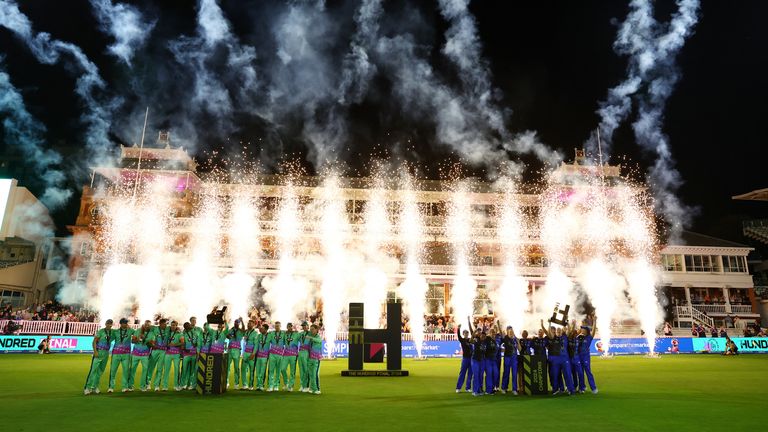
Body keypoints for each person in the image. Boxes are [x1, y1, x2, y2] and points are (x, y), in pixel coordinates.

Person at [84, 319, 113, 395]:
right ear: (105, 324)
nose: (109, 325)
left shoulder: (112, 332)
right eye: (108, 323)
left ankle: (95, 387)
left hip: (106, 353)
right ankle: (87, 388)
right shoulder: (101, 331)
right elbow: (94, 341)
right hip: (99, 352)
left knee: (100, 371)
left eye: (110, 324)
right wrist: (95, 351)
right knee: (93, 370)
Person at [107, 318, 134, 393]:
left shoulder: (130, 331)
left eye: (126, 323)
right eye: (124, 323)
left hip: (126, 354)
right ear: (120, 324)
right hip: (116, 354)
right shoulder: (116, 332)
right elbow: (109, 340)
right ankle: (111, 387)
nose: (125, 324)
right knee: (113, 370)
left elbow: (137, 334)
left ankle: (125, 387)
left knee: (126, 371)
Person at [127, 320, 152, 392]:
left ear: (150, 326)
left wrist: (145, 339)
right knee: (132, 370)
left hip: (145, 355)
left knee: (145, 371)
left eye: (148, 325)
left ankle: (142, 386)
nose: (147, 326)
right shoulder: (137, 331)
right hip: (135, 354)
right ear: (143, 325)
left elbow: (152, 344)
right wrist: (138, 339)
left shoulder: (151, 333)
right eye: (145, 324)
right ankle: (130, 386)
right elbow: (133, 341)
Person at [146, 318, 169, 391]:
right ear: (160, 324)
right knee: (150, 368)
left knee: (160, 368)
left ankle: (157, 385)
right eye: (164, 324)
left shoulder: (168, 329)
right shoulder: (154, 328)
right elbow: (147, 327)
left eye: (166, 324)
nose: (165, 325)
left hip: (163, 351)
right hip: (155, 350)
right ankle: (148, 384)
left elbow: (175, 328)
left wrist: (177, 328)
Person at [577, 317, 598, 394]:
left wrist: (595, 321)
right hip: (578, 357)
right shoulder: (578, 337)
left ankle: (593, 388)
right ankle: (582, 387)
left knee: (588, 372)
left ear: (586, 330)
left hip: (585, 357)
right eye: (581, 328)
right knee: (580, 372)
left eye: (583, 329)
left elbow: (594, 331)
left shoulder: (589, 337)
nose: (582, 330)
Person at [162, 320, 184, 391]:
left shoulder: (180, 334)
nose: (172, 326)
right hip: (168, 354)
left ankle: (176, 385)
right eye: (172, 325)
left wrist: (174, 345)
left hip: (176, 354)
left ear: (176, 326)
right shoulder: (168, 333)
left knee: (177, 370)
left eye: (174, 325)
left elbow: (182, 343)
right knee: (166, 370)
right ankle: (165, 386)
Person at [467, 317, 487, 396]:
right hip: (475, 359)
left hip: (482, 360)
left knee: (480, 375)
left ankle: (479, 390)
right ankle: (474, 391)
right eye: (480, 334)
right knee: (476, 375)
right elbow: (470, 340)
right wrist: (469, 322)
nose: (482, 336)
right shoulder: (476, 339)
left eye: (483, 336)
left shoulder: (485, 341)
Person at [280, 322, 300, 391]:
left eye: (290, 326)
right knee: (282, 369)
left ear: (292, 327)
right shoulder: (284, 334)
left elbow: (303, 338)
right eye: (288, 326)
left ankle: (291, 386)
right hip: (286, 354)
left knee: (292, 371)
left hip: (293, 355)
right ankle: (286, 383)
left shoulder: (296, 334)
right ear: (287, 327)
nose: (289, 328)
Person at [226, 318, 245, 389]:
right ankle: (226, 383)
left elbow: (243, 329)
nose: (236, 323)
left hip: (237, 350)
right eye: (235, 322)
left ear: (239, 324)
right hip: (230, 349)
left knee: (236, 368)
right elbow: (227, 335)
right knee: (227, 367)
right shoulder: (231, 330)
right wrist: (228, 336)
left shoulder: (241, 331)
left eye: (237, 323)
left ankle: (236, 384)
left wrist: (242, 321)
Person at [181, 322, 200, 390]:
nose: (188, 326)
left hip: (194, 354)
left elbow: (199, 341)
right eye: (186, 326)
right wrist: (184, 348)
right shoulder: (183, 334)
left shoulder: (195, 332)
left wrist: (197, 344)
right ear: (184, 327)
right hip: (186, 354)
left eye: (188, 325)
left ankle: (191, 384)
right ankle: (183, 384)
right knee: (184, 370)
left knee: (192, 370)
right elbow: (182, 343)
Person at [305, 323, 323, 394]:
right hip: (310, 358)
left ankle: (317, 389)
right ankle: (312, 388)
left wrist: (311, 338)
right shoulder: (310, 336)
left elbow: (319, 341)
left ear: (316, 330)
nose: (311, 331)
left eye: (313, 329)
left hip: (316, 358)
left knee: (315, 373)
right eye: (311, 329)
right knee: (310, 374)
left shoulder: (318, 337)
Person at [500, 326, 518, 395]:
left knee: (514, 374)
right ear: (507, 332)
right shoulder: (505, 338)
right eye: (509, 331)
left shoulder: (515, 339)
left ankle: (514, 389)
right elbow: (501, 335)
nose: (511, 332)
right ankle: (504, 388)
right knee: (506, 373)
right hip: (507, 357)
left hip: (514, 357)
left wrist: (518, 342)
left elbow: (519, 349)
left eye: (511, 331)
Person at [240, 320, 258, 390]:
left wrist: (253, 354)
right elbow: (242, 331)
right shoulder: (246, 332)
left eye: (250, 324)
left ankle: (251, 385)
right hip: (245, 353)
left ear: (253, 325)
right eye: (248, 323)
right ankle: (245, 385)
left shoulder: (255, 333)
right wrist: (242, 321)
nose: (248, 324)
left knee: (251, 370)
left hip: (251, 353)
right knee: (243, 369)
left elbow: (256, 345)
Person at [267, 321, 285, 392]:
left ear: (280, 326)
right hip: (272, 354)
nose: (277, 327)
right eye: (276, 326)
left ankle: (276, 385)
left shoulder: (283, 334)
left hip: (280, 354)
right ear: (274, 326)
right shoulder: (271, 334)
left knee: (278, 370)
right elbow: (268, 341)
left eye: (278, 326)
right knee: (271, 370)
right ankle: (270, 386)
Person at [455, 324, 473, 393]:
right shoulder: (462, 340)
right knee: (462, 373)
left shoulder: (470, 340)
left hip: (471, 359)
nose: (466, 334)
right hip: (465, 359)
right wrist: (458, 328)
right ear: (463, 334)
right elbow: (458, 336)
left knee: (470, 374)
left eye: (467, 333)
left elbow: (473, 335)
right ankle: (458, 388)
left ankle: (468, 388)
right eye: (465, 333)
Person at [254, 323, 271, 391]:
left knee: (262, 371)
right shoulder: (259, 336)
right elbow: (256, 346)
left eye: (263, 328)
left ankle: (261, 385)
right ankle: (258, 385)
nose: (261, 329)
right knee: (257, 371)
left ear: (266, 329)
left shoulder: (270, 336)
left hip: (265, 356)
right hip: (258, 356)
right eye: (261, 328)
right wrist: (253, 353)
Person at [297, 321, 311, 392]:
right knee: (301, 369)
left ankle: (307, 386)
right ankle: (302, 385)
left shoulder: (310, 333)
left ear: (308, 326)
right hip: (300, 352)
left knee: (306, 369)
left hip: (306, 352)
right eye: (303, 326)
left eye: (305, 325)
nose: (304, 327)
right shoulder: (300, 334)